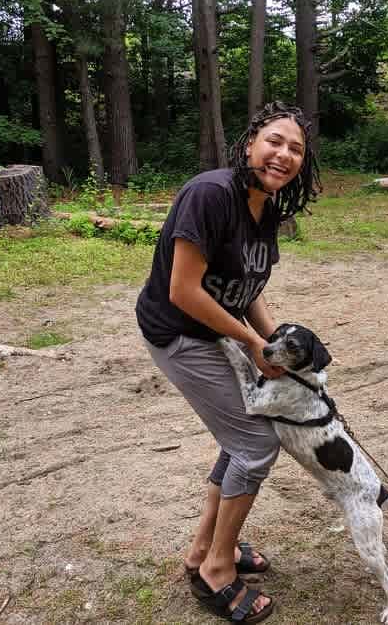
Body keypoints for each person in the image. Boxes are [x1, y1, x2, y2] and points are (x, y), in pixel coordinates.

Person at [136, 101, 321, 622]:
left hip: (215, 328)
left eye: (296, 149)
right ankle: (217, 570)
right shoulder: (210, 195)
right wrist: (253, 346)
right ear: (248, 144)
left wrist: (275, 341)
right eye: (274, 141)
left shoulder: (268, 204)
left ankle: (204, 549)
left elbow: (247, 287)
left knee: (240, 437)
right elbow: (183, 291)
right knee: (256, 442)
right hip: (178, 332)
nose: (283, 154)